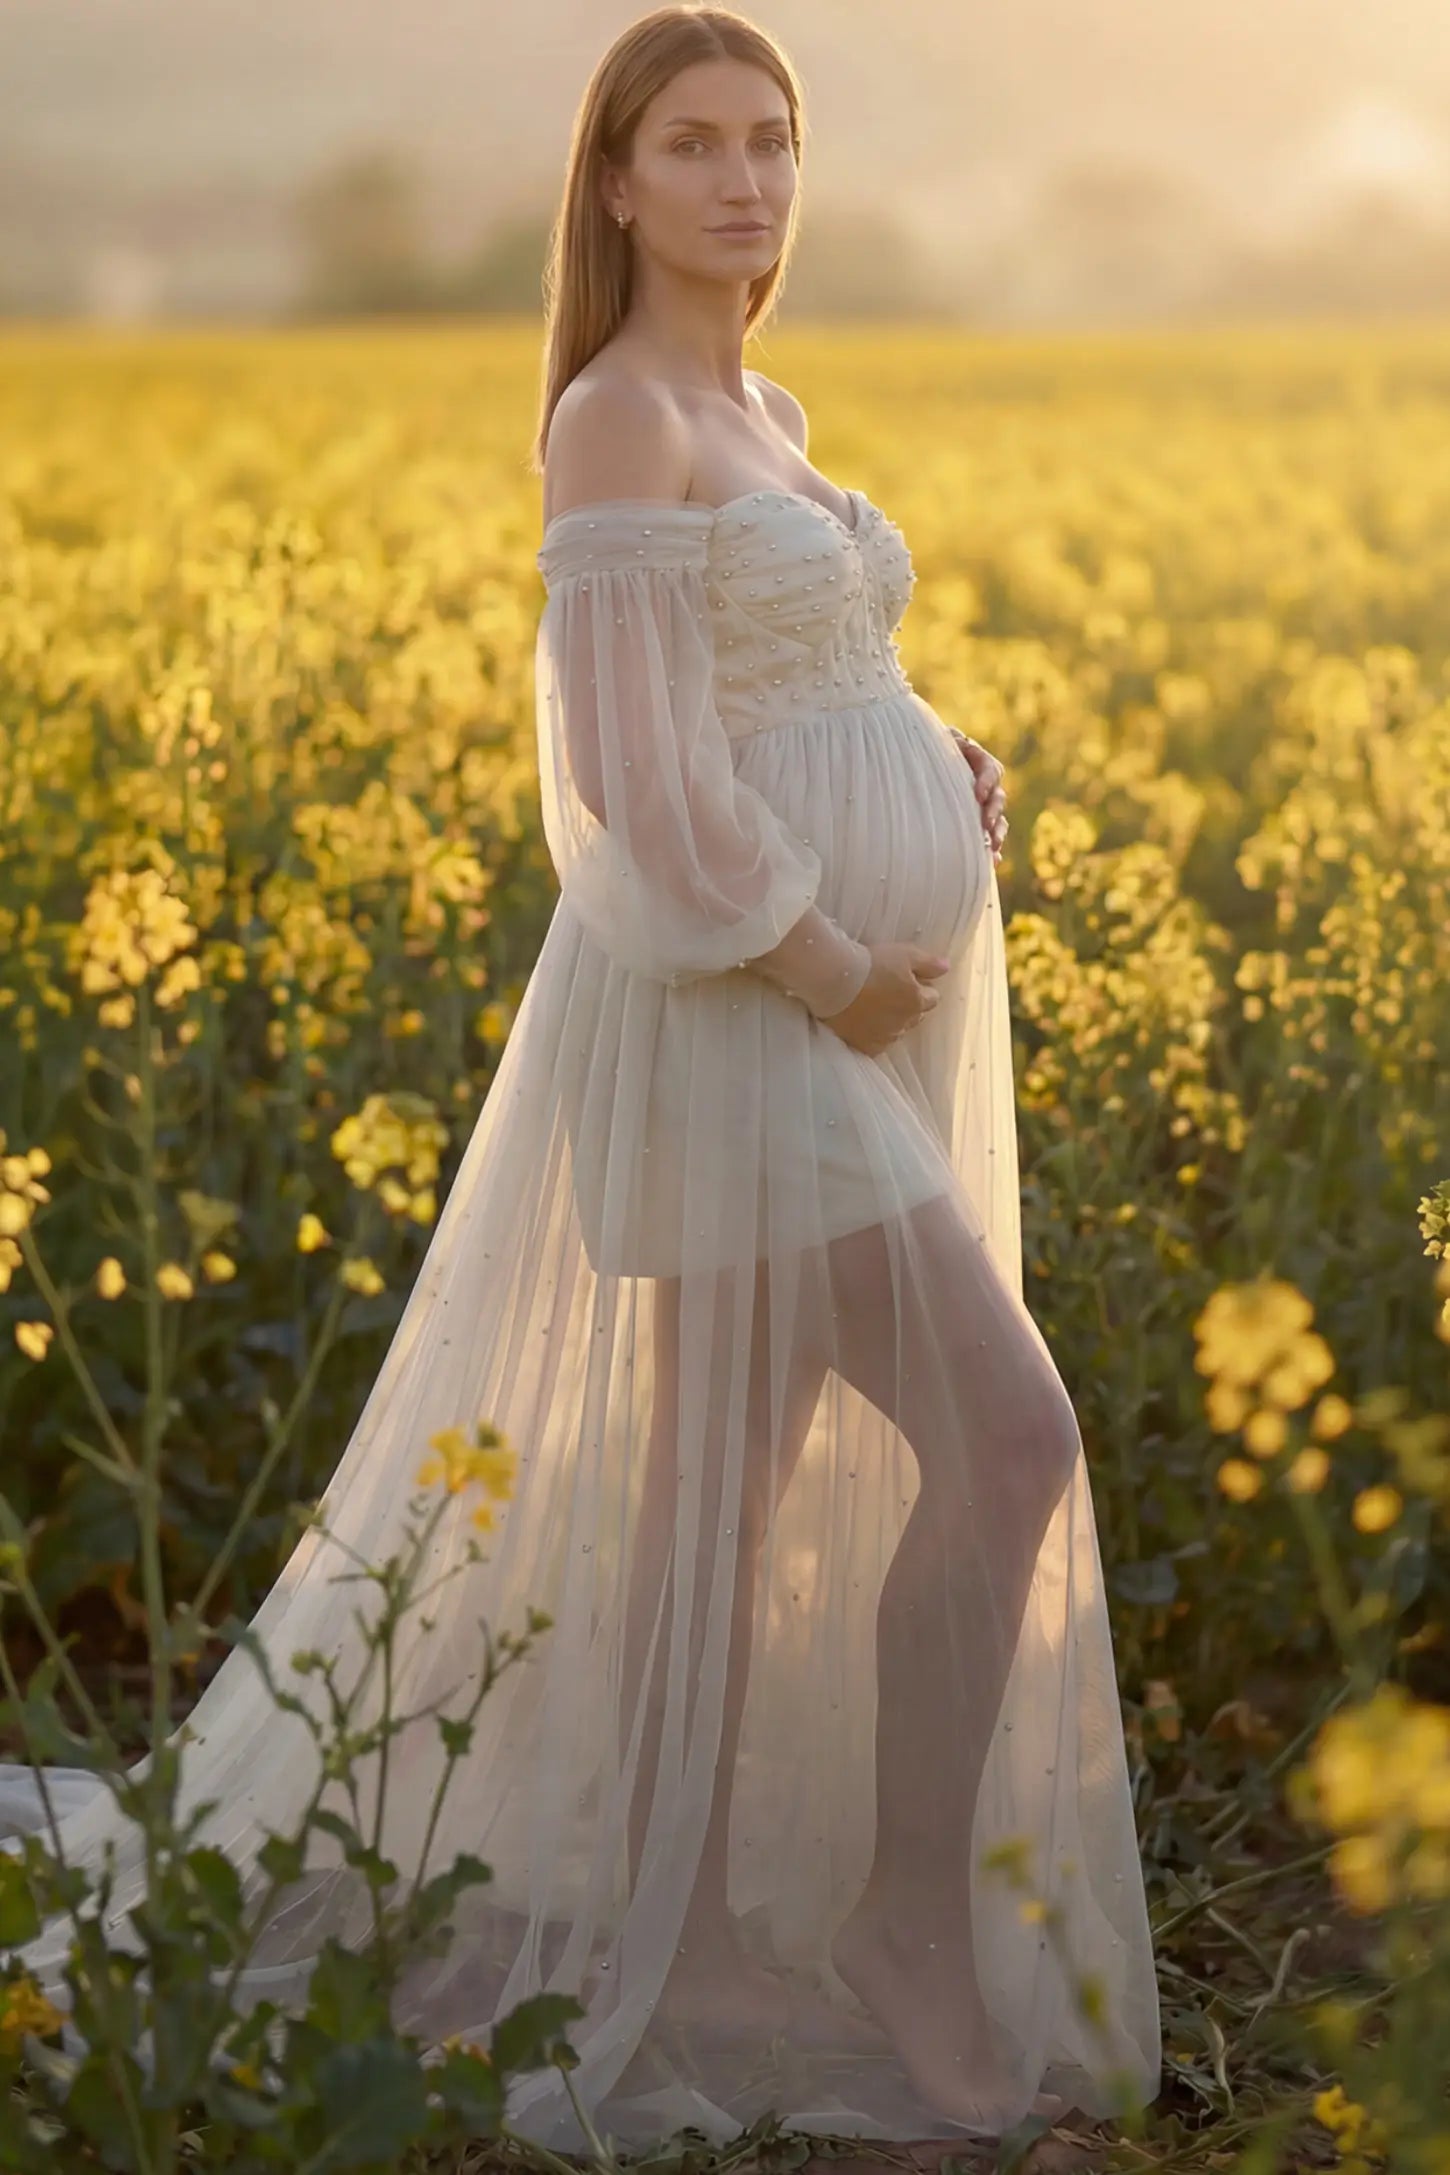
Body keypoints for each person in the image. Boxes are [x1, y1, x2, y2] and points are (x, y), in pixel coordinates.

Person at [2, 2, 1161, 2154]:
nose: (743, 182)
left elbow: (781, 677)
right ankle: (902, 1919)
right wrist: (823, 958)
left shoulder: (766, 402)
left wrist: (931, 759)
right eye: (695, 144)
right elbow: (626, 768)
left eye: (771, 142)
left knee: (717, 1494)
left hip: (817, 1013)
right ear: (611, 183)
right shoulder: (616, 416)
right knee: (1009, 1437)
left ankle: (693, 1929)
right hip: (737, 1023)